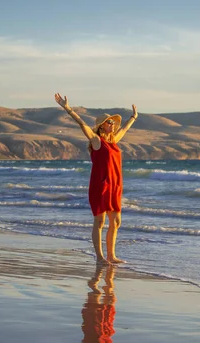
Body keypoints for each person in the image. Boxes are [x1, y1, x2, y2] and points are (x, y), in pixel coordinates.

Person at [54, 93, 138, 264]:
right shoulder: (96, 141)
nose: (113, 125)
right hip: (101, 185)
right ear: (101, 126)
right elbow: (82, 124)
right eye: (109, 122)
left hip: (115, 185)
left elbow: (125, 130)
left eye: (113, 123)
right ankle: (100, 257)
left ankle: (111, 256)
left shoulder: (114, 140)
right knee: (100, 222)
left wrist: (133, 117)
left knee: (116, 222)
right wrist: (67, 108)